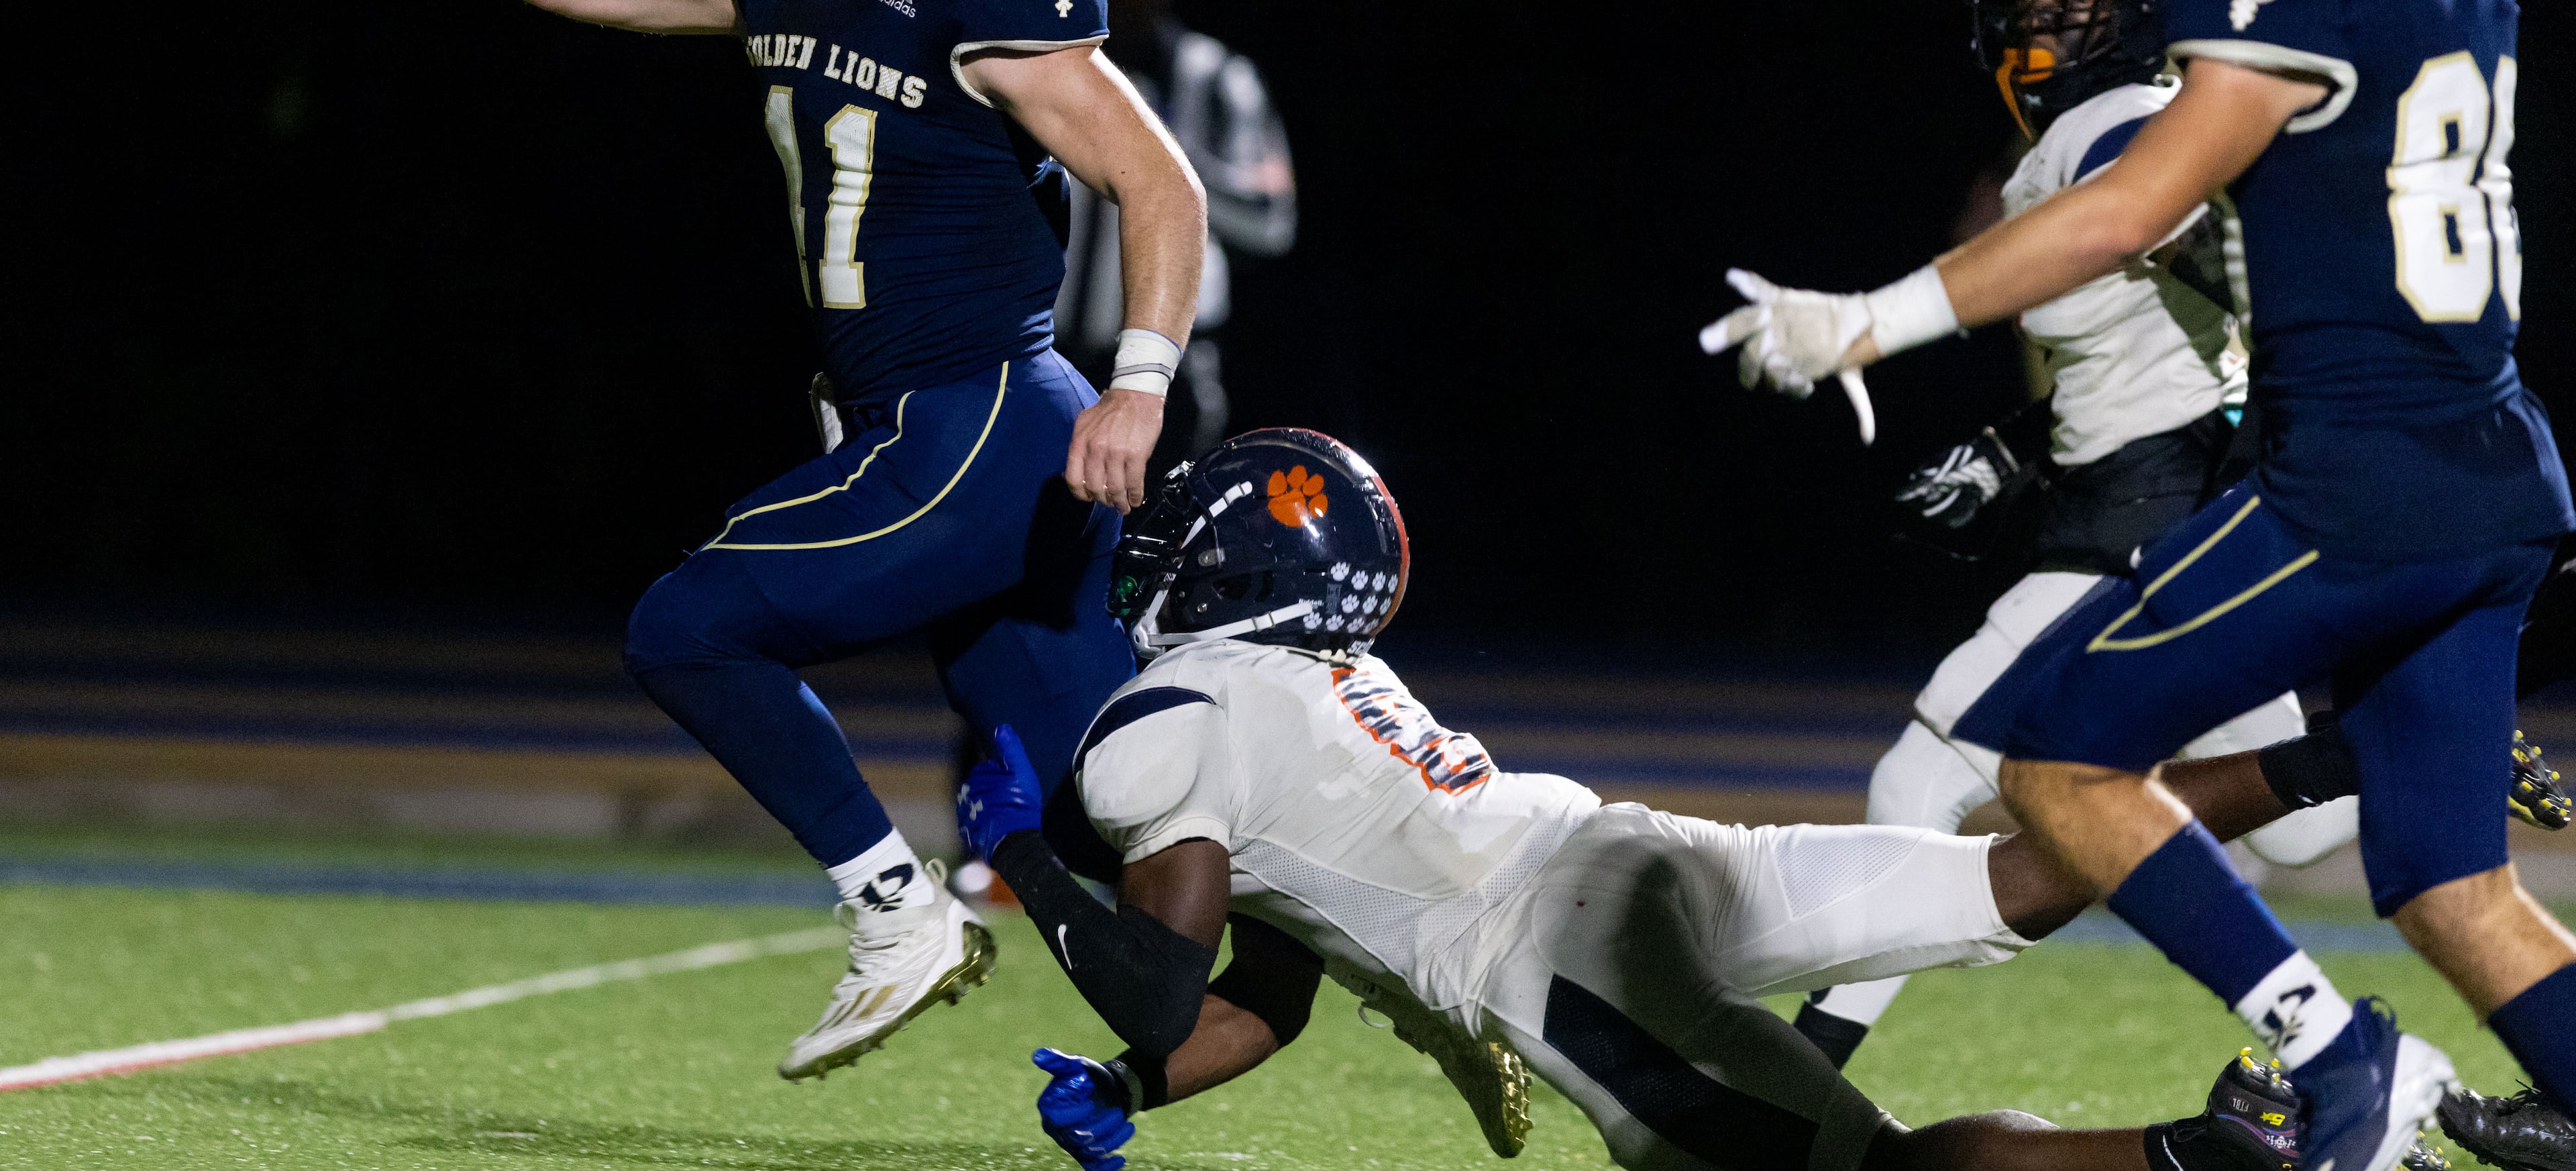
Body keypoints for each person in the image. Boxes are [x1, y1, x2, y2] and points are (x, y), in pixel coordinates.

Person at [1701, 0, 2576, 1166]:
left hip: (2355, 480)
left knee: (2055, 763)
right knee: (2446, 883)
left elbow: (2130, 205)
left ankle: (2337, 1056)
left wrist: (1864, 325)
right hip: (2500, 474)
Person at [952, 429, 2443, 1171]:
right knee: (2014, 876)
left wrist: (1013, 840)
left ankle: (2224, 1145)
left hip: (1559, 969)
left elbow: (1159, 987)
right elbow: (1264, 994)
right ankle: (2340, 756)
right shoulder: (1317, 691)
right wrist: (1144, 1091)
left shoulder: (1172, 715)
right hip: (1633, 849)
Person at [443, 0, 1206, 1081]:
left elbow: (1160, 188)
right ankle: (1428, 947)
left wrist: (1140, 385)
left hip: (975, 418)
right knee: (1120, 809)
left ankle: (894, 912)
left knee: (690, 631)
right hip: (929, 424)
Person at [1789, 0, 2363, 1071]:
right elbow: (2152, 348)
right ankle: (2402, 731)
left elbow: (2178, 238)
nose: (2038, 17)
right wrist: (2016, 454)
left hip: (2139, 534)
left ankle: (1794, 1085)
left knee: (1920, 782)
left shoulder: (2118, 126)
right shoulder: (2111, 122)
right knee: (2307, 834)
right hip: (2173, 512)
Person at [1053, 0, 1297, 467]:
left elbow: (1272, 224)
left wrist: (1159, 158)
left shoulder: (1215, 78)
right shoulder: (1039, 70)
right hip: (1049, 355)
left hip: (1175, 370)